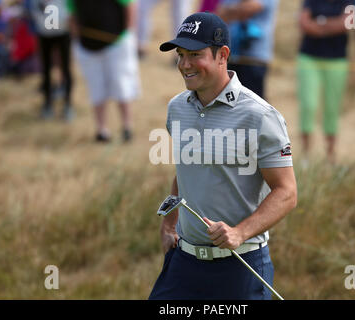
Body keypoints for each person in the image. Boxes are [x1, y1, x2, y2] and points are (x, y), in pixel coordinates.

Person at [149, 12, 297, 300]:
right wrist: (169, 223)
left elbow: (287, 192)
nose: (184, 64)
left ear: (222, 55)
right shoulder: (177, 108)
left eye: (195, 54)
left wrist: (239, 232)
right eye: (181, 55)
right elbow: (187, 169)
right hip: (184, 264)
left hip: (240, 267)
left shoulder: (260, 116)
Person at [67, 0, 141, 142]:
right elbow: (72, 13)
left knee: (121, 84)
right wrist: (76, 36)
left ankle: (127, 127)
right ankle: (101, 130)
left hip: (117, 42)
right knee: (96, 88)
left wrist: (127, 35)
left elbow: (129, 6)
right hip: (87, 47)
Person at [297, 0, 355, 166]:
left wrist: (319, 25)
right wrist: (332, 26)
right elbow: (303, 23)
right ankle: (306, 153)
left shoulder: (350, 1)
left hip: (336, 60)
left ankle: (330, 154)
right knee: (308, 105)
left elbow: (348, 23)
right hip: (309, 57)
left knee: (332, 107)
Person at [216, 0, 279, 99]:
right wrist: (237, 10)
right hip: (231, 57)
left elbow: (249, 8)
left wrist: (231, 11)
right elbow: (220, 15)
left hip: (255, 59)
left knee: (254, 104)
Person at [27, 0, 73, 121]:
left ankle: (68, 105)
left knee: (66, 69)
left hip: (63, 33)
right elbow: (34, 10)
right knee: (46, 70)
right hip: (44, 34)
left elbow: (69, 8)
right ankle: (48, 105)